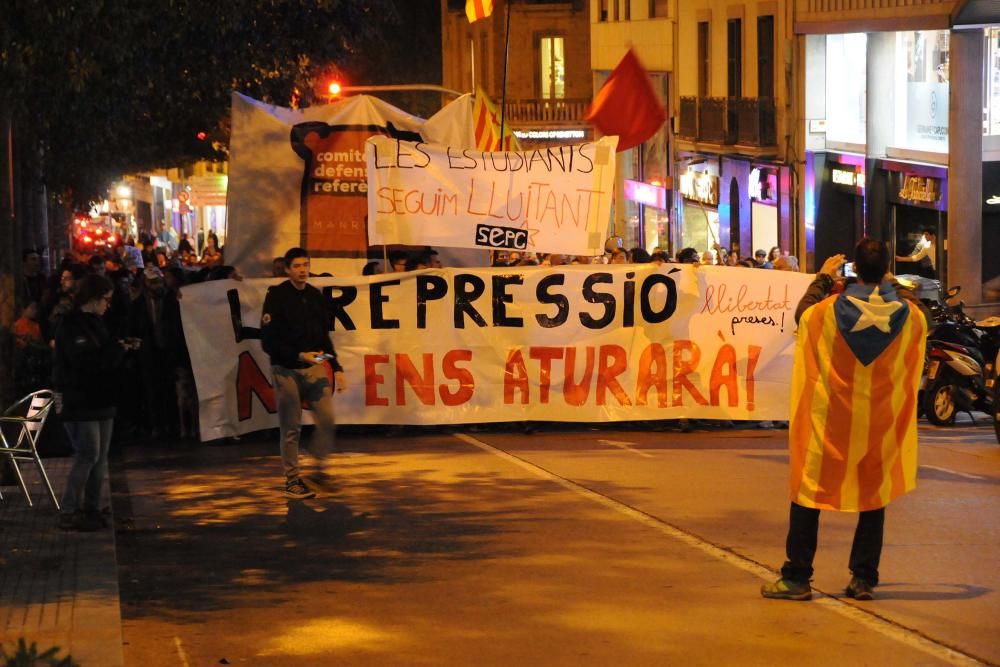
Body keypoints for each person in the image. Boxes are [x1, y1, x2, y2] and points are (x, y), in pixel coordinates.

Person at [761, 239, 928, 601]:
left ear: (855, 269)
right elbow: (918, 310)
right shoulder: (911, 317)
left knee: (808, 491)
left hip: (829, 423)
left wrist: (822, 277)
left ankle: (797, 578)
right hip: (877, 425)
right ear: (886, 269)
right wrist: (890, 282)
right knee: (873, 497)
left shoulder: (824, 312)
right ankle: (864, 578)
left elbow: (801, 314)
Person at [53, 274, 139, 530]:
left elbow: (102, 353)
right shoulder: (71, 325)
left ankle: (91, 506)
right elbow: (86, 362)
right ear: (92, 299)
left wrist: (120, 349)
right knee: (88, 454)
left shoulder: (97, 323)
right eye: (105, 300)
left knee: (100, 456)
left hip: (102, 398)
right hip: (80, 400)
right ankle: (69, 509)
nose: (107, 305)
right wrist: (116, 351)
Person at [260, 247, 346, 499]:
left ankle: (318, 469)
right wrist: (298, 356)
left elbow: (323, 338)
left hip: (315, 366)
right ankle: (292, 479)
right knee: (291, 427)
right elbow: (268, 341)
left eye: (305, 265)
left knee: (327, 419)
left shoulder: (315, 296)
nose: (302, 270)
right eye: (297, 266)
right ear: (287, 269)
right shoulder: (277, 296)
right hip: (286, 368)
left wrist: (336, 367)